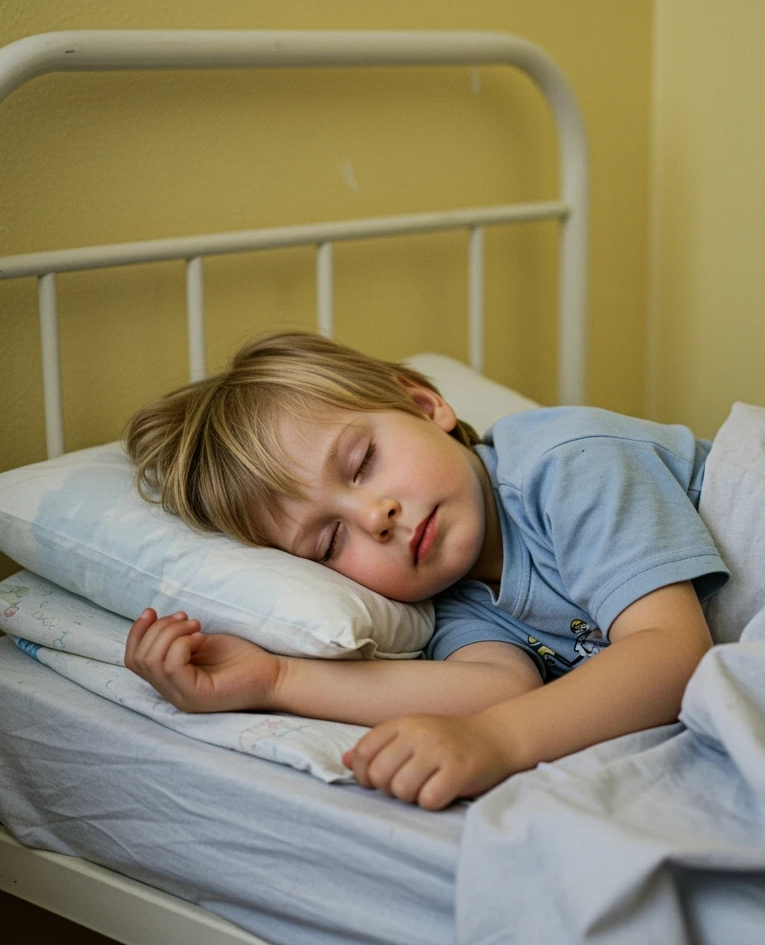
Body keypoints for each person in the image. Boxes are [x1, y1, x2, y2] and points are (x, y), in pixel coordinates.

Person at [123, 332, 729, 810]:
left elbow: (671, 654)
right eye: (331, 541)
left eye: (362, 463)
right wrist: (276, 679)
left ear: (423, 404)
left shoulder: (566, 462)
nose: (376, 516)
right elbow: (495, 687)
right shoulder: (454, 599)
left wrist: (497, 740)